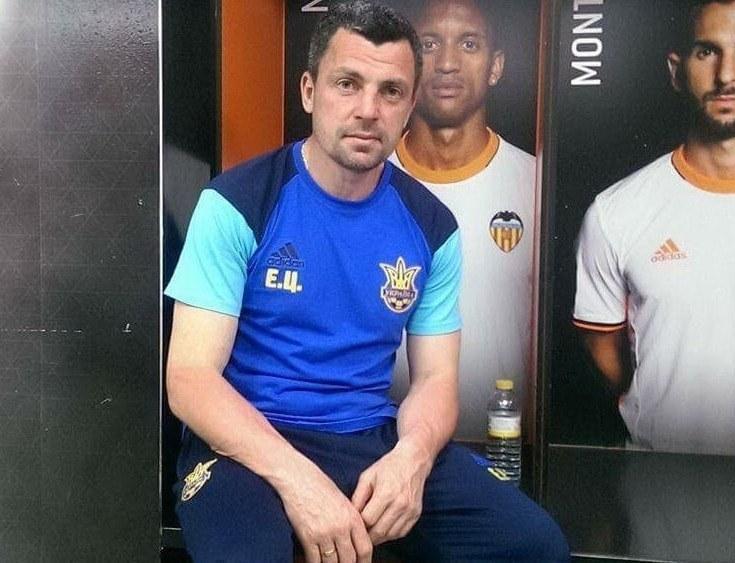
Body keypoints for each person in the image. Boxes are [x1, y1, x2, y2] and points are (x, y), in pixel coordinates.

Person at [166, 2, 568, 561]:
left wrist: (412, 460)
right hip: (243, 448)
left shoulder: (431, 227)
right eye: (348, 84)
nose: (368, 110)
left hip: (368, 437)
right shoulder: (238, 203)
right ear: (309, 92)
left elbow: (435, 381)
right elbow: (190, 379)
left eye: (391, 92)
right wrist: (300, 482)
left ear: (410, 106)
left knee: (535, 547)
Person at [574, 0, 735, 456]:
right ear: (676, 71)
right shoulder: (616, 212)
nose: (728, 75)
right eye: (707, 51)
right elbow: (604, 351)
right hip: (657, 473)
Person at [390, 0, 537, 439]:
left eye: (469, 44)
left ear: (496, 66)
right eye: (429, 44)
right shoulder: (365, 181)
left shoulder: (533, 184)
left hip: (504, 449)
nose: (448, 63)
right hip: (384, 450)